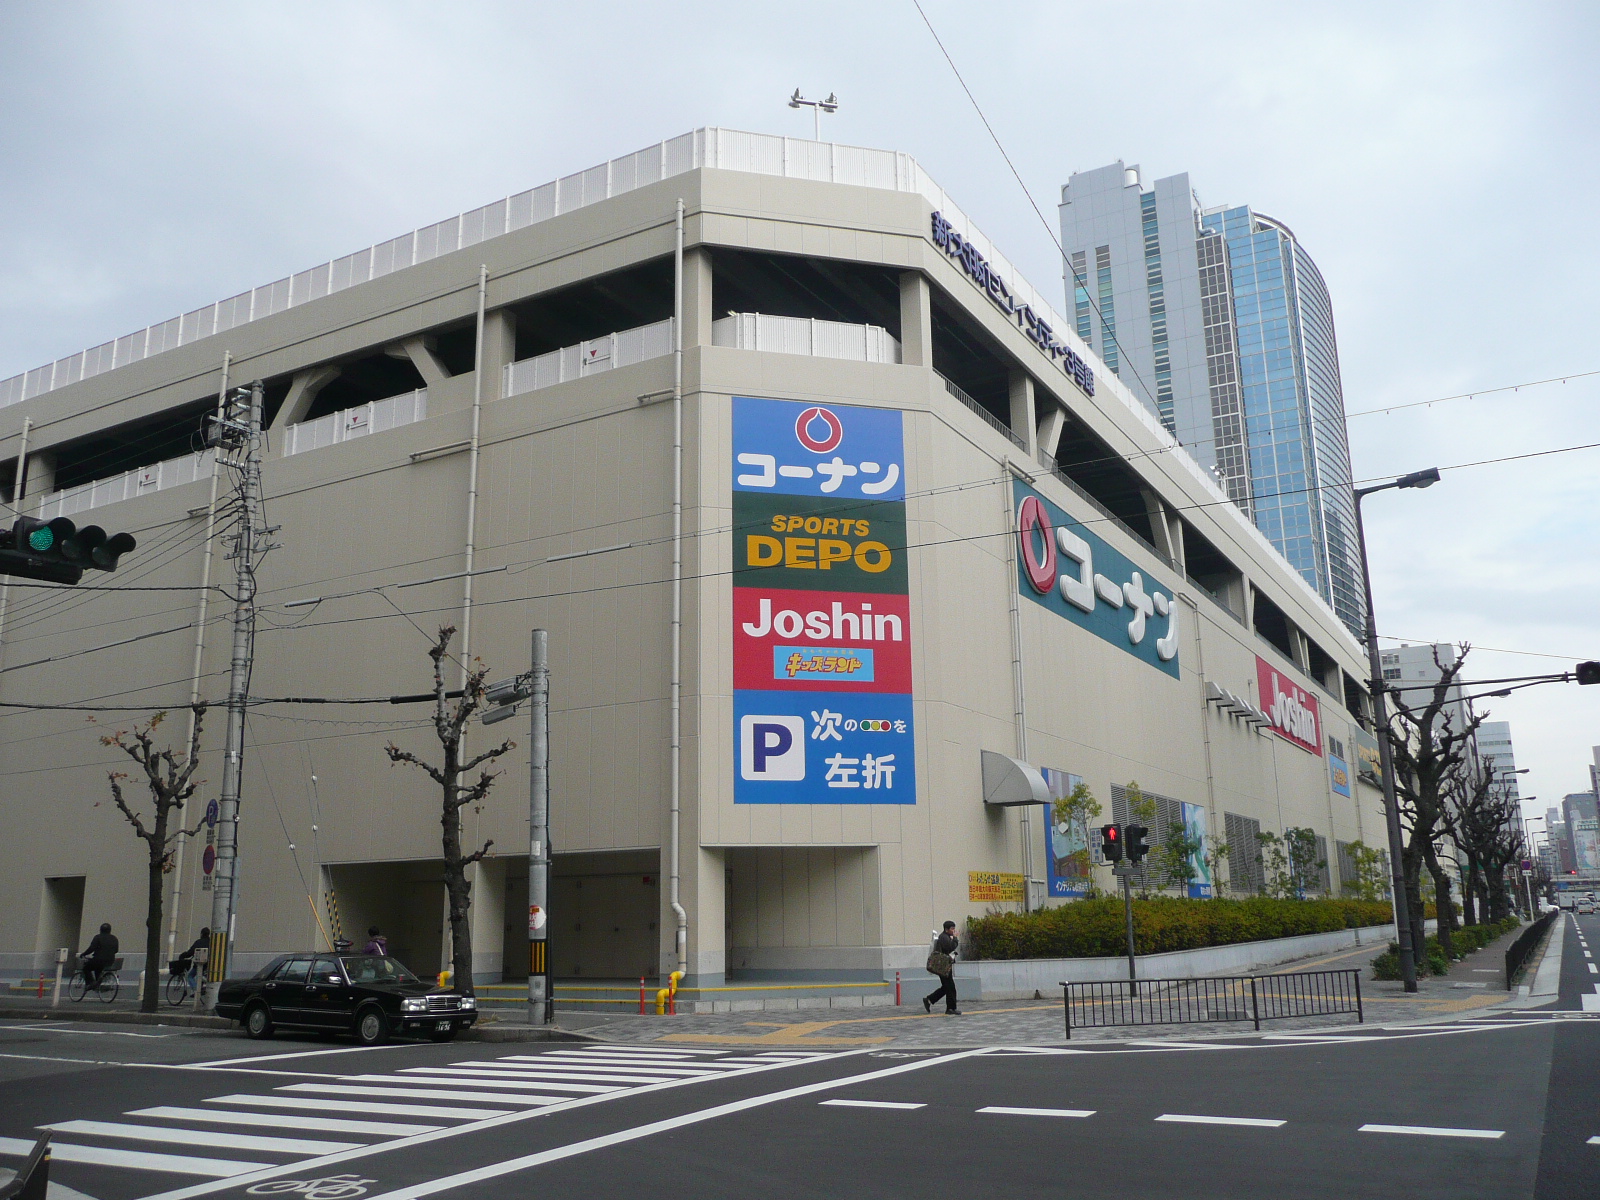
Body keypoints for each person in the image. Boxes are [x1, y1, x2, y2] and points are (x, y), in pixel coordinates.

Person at [923, 920, 961, 1016]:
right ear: (946, 929)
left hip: (945, 965)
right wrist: (955, 939)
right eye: (952, 929)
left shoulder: (946, 936)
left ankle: (929, 999)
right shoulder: (944, 937)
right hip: (943, 966)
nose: (954, 930)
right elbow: (950, 947)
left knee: (946, 987)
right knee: (950, 988)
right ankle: (950, 1008)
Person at [80, 923, 118, 992]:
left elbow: (91, 948)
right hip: (110, 961)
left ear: (100, 930)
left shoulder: (98, 937)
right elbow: (116, 950)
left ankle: (91, 983)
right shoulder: (114, 938)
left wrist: (84, 954)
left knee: (86, 968)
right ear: (110, 930)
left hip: (98, 960)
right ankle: (97, 985)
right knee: (98, 969)